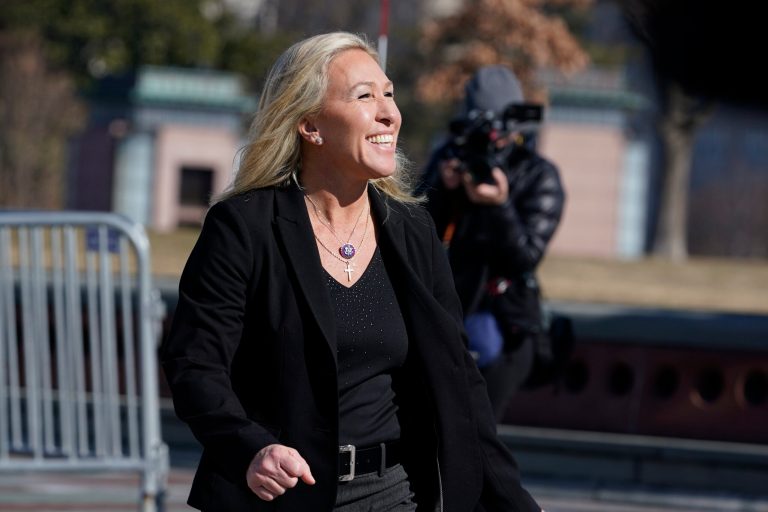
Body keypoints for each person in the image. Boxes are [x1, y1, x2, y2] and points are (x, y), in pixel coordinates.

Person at [161, 32, 542, 512]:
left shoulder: (411, 229)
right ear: (310, 126)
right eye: (365, 96)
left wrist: (512, 501)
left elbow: (461, 381)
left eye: (390, 94)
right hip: (279, 498)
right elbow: (195, 364)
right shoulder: (244, 226)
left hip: (396, 494)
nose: (389, 113)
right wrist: (249, 448)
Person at [419, 66, 566, 419]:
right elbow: (412, 238)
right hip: (448, 313)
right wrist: (440, 192)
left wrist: (498, 206)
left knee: (480, 433)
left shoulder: (538, 175)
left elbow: (525, 256)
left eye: (498, 131)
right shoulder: (450, 159)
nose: (490, 142)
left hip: (505, 323)